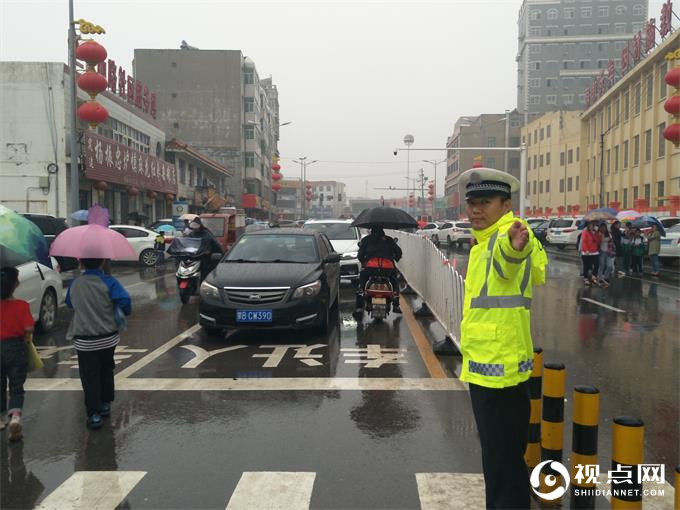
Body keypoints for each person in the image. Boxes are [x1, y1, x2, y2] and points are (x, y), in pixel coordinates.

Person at [458, 167, 548, 509]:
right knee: (506, 457)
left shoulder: (505, 238)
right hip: (504, 364)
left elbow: (510, 259)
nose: (476, 210)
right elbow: (539, 271)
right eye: (472, 203)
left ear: (505, 204)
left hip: (495, 370)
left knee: (500, 459)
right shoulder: (485, 242)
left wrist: (515, 248)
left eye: (485, 202)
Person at [66, 258, 131, 429]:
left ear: (81, 263)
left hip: (84, 339)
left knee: (89, 376)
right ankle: (105, 404)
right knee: (106, 368)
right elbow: (126, 303)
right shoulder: (110, 282)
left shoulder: (76, 283)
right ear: (102, 262)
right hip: (107, 337)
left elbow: (69, 303)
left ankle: (93, 414)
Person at [0, 267, 34, 441]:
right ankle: (15, 417)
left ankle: (0, 418)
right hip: (16, 349)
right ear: (16, 284)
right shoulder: (22, 306)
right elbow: (29, 327)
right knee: (16, 388)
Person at [355, 226, 403, 314]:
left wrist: (364, 262)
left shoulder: (366, 240)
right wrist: (395, 258)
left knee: (362, 277)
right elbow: (399, 252)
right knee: (394, 279)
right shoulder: (389, 240)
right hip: (387, 270)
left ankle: (359, 303)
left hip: (371, 269)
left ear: (371, 231)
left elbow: (360, 255)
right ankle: (396, 304)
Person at [580, 222, 602, 286]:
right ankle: (585, 278)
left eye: (593, 225)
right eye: (590, 225)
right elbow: (584, 241)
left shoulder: (596, 232)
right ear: (588, 225)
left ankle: (593, 276)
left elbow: (598, 241)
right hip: (586, 252)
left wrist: (598, 234)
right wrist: (586, 250)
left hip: (594, 251)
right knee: (586, 266)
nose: (592, 226)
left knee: (596, 265)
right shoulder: (585, 231)